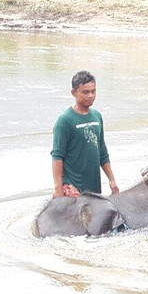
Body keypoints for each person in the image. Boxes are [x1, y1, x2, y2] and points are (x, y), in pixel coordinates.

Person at [51, 70, 119, 198]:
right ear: (74, 93)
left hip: (93, 185)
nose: (91, 96)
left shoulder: (97, 117)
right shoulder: (64, 121)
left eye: (93, 91)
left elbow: (102, 151)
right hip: (71, 186)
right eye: (85, 92)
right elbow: (57, 156)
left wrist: (111, 180)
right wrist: (58, 188)